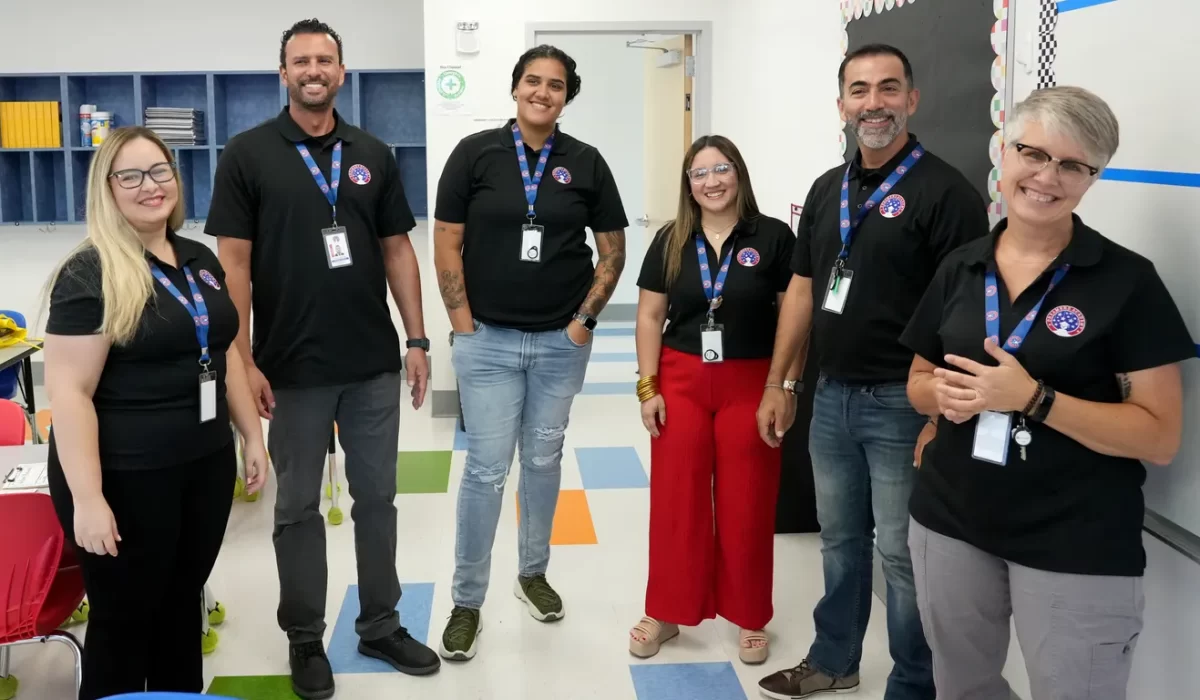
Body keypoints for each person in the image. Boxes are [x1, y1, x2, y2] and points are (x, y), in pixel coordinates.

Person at [899, 85, 1193, 700]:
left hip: (1074, 537)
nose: (1046, 176)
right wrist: (941, 399)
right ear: (1002, 154)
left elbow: (1160, 436)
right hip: (951, 521)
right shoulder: (961, 266)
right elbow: (918, 383)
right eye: (1032, 153)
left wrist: (1034, 400)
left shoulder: (1127, 282)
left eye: (1072, 165)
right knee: (963, 687)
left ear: (1093, 178)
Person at [205, 17, 438, 698]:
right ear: (283, 73)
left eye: (325, 59)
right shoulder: (248, 154)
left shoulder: (372, 151)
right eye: (301, 60)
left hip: (371, 363)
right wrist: (243, 360)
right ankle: (305, 638)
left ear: (342, 71)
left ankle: (380, 623)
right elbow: (234, 265)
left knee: (379, 500)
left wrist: (417, 339)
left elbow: (398, 249)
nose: (314, 69)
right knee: (297, 509)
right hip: (292, 369)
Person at [756, 44, 990, 699]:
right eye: (860, 90)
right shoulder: (827, 189)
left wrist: (938, 414)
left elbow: (967, 315)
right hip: (831, 397)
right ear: (842, 105)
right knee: (839, 540)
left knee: (902, 556)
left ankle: (915, 684)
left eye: (889, 89)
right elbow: (803, 290)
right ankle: (835, 661)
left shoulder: (947, 193)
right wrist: (781, 383)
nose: (874, 103)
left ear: (912, 100)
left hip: (902, 403)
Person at [41, 126, 269, 700]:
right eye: (132, 176)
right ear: (108, 189)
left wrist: (251, 436)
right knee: (123, 622)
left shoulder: (199, 258)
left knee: (180, 608)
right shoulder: (89, 272)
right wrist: (88, 499)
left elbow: (226, 357)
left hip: (202, 466)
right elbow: (68, 393)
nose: (151, 186)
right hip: (123, 477)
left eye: (160, 170)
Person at [432, 44, 628, 661]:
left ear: (568, 95)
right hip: (486, 341)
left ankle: (532, 574)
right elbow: (446, 243)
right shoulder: (475, 155)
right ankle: (467, 601)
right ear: (515, 87)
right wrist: (462, 324)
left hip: (558, 345)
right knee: (486, 470)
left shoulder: (587, 163)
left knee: (543, 461)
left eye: (556, 85)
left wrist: (581, 323)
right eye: (533, 81)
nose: (543, 92)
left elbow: (614, 252)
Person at [629, 135, 799, 665]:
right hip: (680, 379)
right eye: (699, 173)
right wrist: (648, 387)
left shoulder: (773, 237)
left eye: (721, 169)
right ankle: (666, 610)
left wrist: (786, 386)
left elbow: (795, 321)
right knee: (676, 500)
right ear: (688, 185)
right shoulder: (671, 239)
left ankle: (750, 616)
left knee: (747, 501)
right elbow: (650, 318)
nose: (712, 181)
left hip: (751, 382)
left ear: (739, 174)